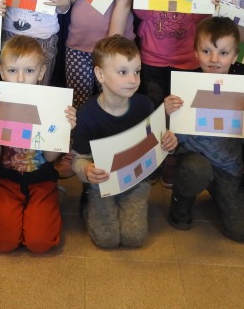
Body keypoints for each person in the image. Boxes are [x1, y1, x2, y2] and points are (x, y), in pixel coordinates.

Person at [71, 36, 178, 249]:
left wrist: (168, 143)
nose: (133, 79)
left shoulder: (144, 105)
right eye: (123, 72)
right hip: (102, 183)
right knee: (107, 240)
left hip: (136, 182)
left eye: (137, 71)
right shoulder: (88, 113)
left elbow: (156, 143)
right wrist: (87, 170)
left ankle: (119, 207)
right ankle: (88, 205)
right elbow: (77, 159)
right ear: (100, 74)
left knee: (134, 238)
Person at [162, 17, 244, 241]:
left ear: (234, 57)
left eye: (223, 53)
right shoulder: (185, 88)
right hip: (194, 163)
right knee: (195, 169)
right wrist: (167, 114)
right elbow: (173, 141)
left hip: (228, 168)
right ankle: (181, 201)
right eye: (206, 51)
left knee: (243, 231)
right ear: (196, 53)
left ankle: (224, 195)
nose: (214, 59)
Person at [0, 36, 76, 253]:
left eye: (30, 71)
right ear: (2, 72)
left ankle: (50, 198)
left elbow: (50, 158)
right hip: (5, 179)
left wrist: (64, 130)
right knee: (3, 243)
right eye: (12, 71)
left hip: (40, 180)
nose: (21, 79)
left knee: (40, 243)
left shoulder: (52, 104)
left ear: (41, 72)